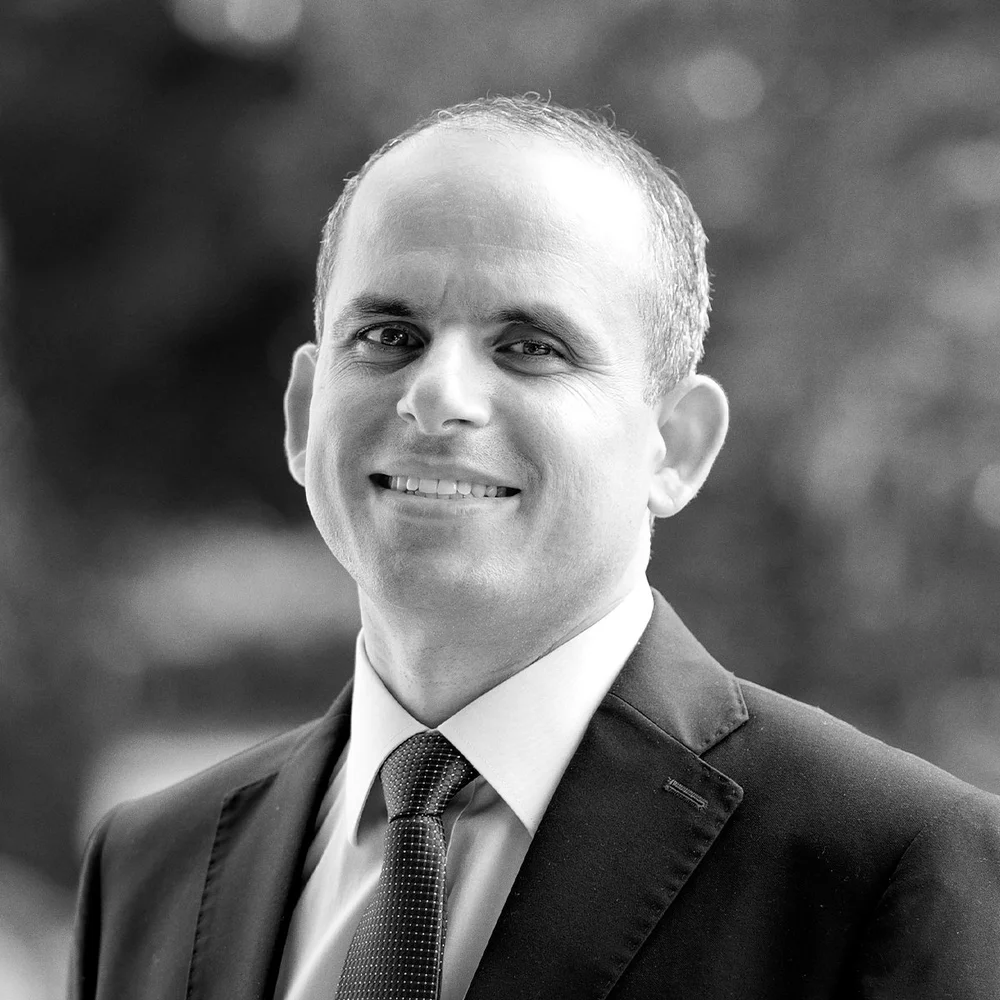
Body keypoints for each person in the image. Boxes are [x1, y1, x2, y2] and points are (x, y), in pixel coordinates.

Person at [69, 96, 1000, 1000]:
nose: (437, 396)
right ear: (304, 414)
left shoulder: (893, 868)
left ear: (676, 447)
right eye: (390, 335)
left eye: (530, 347)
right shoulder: (150, 867)